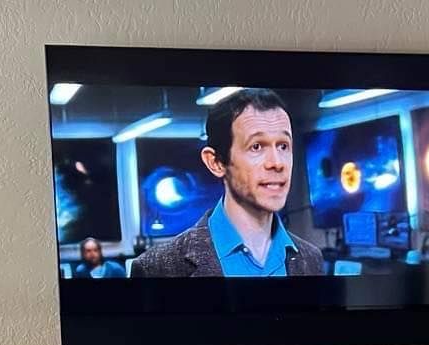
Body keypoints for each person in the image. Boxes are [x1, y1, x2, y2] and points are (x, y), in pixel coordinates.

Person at [129, 89, 323, 278]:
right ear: (216, 163)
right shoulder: (157, 268)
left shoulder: (311, 259)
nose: (277, 163)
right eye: (256, 147)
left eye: (283, 146)